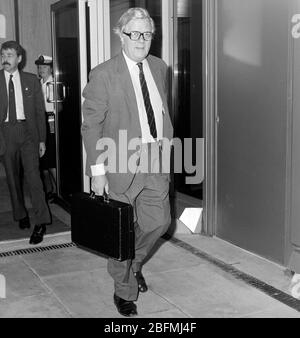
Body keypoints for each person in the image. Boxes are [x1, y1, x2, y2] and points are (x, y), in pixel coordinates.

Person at [82, 7, 173, 317]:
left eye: (147, 34)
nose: (141, 39)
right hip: (118, 160)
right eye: (134, 33)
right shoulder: (104, 73)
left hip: (155, 159)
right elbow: (91, 125)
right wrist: (98, 172)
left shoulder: (160, 68)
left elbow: (160, 115)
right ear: (121, 36)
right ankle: (124, 291)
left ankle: (133, 263)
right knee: (122, 231)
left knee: (159, 222)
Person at [0, 40, 50, 245]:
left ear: (19, 59)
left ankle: (41, 222)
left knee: (34, 179)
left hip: (28, 135)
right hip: (5, 134)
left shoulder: (31, 80)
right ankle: (21, 214)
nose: (5, 59)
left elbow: (40, 113)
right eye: (3, 55)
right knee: (12, 179)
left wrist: (42, 140)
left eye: (10, 55)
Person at [35, 54, 57, 203]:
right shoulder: (38, 83)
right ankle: (53, 189)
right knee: (46, 161)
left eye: (44, 67)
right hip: (40, 120)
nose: (41, 69)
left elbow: (59, 108)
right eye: (39, 67)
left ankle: (57, 191)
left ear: (50, 69)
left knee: (52, 158)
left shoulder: (53, 84)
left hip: (51, 120)